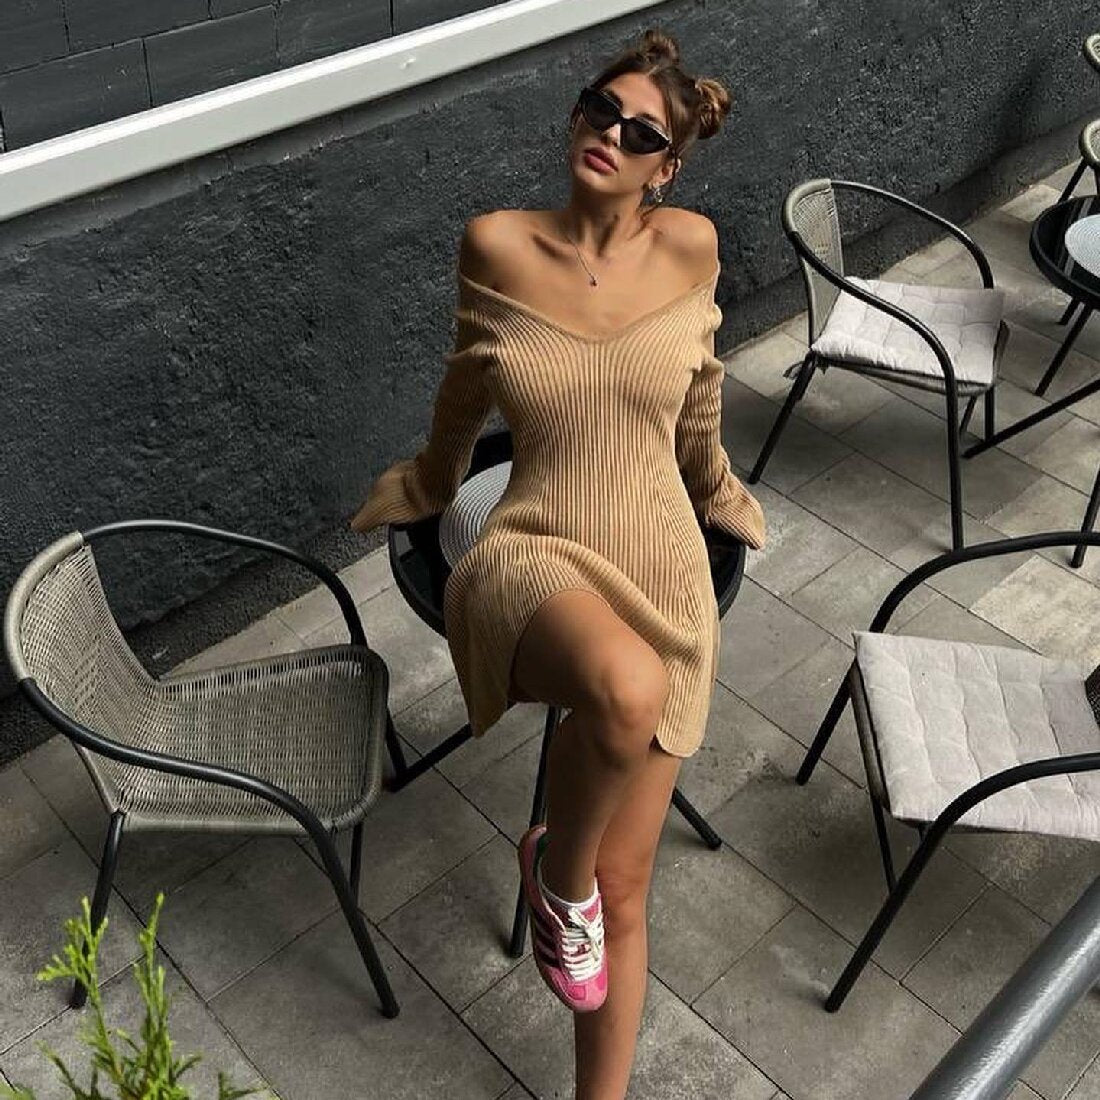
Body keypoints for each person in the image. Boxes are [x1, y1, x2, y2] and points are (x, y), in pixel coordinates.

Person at [349, 25, 766, 1100]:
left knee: (628, 888)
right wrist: (432, 480)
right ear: (577, 114)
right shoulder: (497, 244)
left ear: (665, 168)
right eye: (599, 108)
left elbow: (699, 389)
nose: (610, 134)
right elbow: (465, 383)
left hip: (660, 553)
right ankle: (552, 868)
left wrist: (717, 487)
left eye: (641, 133)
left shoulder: (691, 246)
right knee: (624, 692)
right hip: (534, 544)